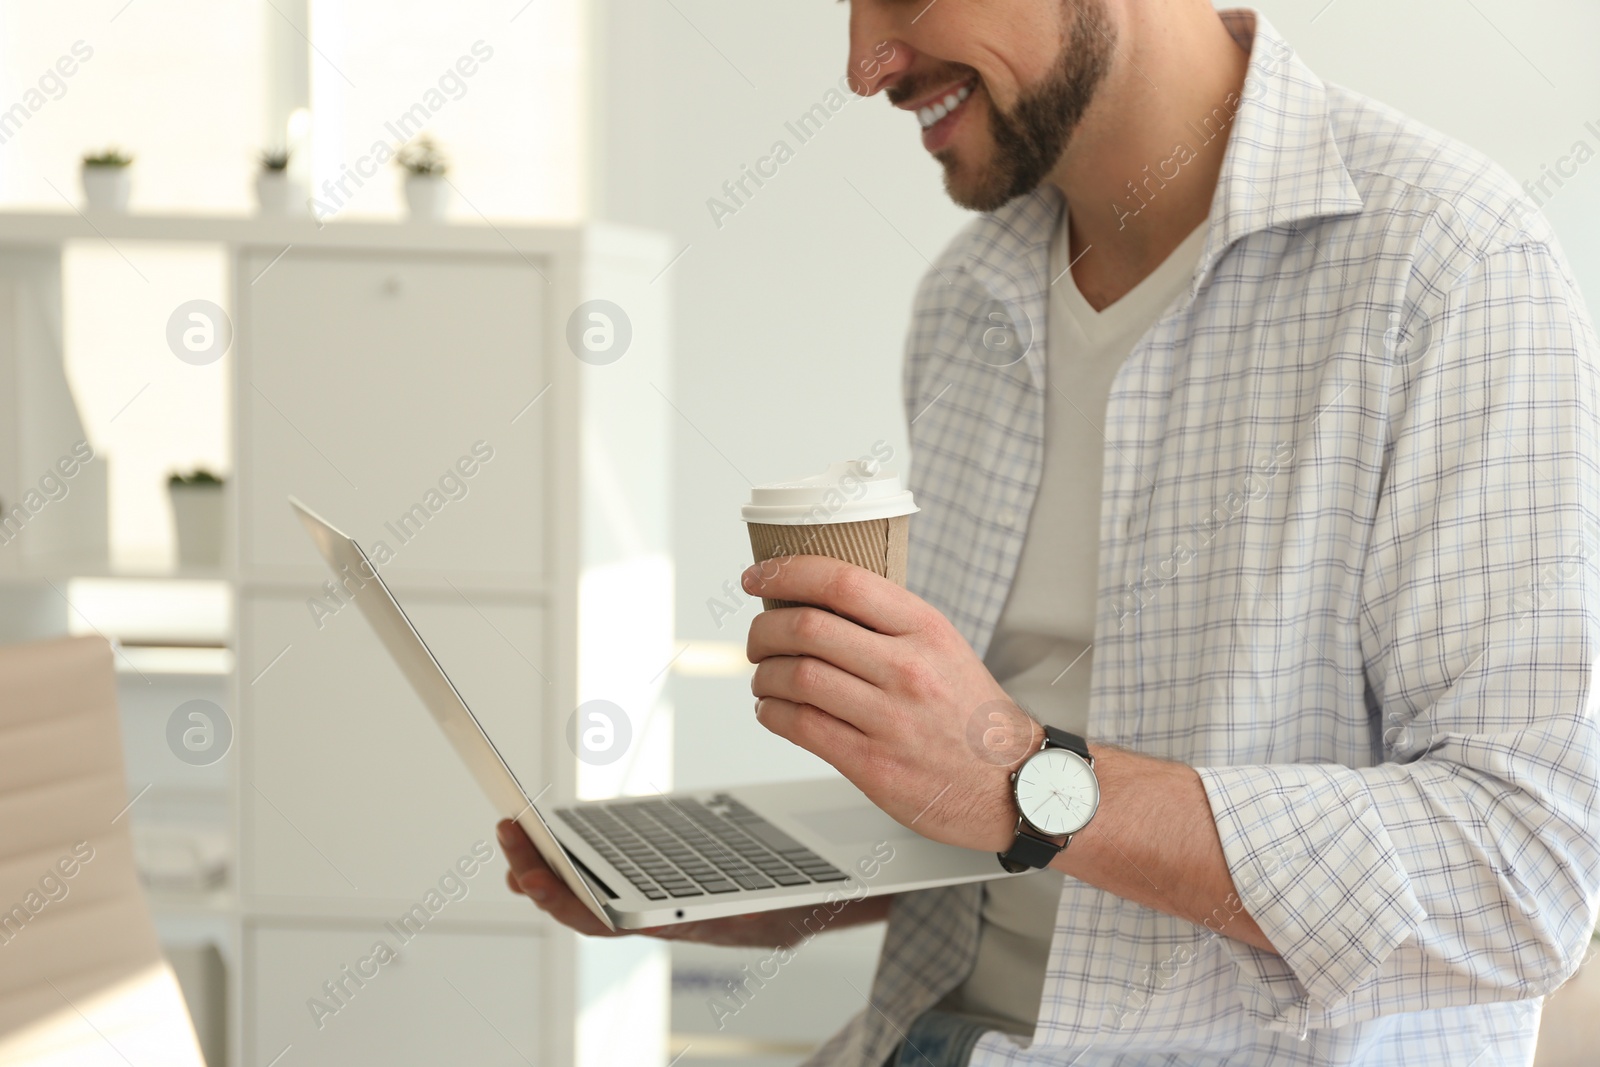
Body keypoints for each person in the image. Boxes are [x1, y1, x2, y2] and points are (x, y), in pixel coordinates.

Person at [499, 1, 1600, 1063]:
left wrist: (1030, 779)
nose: (862, 62)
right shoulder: (968, 299)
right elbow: (993, 802)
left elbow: (1524, 870)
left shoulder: (1448, 263)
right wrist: (781, 880)